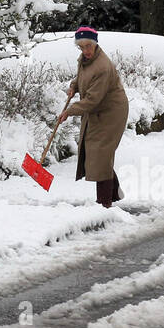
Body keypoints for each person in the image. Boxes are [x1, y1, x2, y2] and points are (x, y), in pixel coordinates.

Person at [57, 26, 129, 207]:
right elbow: (82, 77)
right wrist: (74, 86)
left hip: (112, 111)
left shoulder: (103, 66)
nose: (85, 51)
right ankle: (114, 192)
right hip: (98, 109)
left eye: (88, 46)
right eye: (81, 47)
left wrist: (69, 111)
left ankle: (103, 203)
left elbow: (92, 100)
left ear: (95, 44)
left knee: (100, 153)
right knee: (95, 152)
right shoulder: (85, 59)